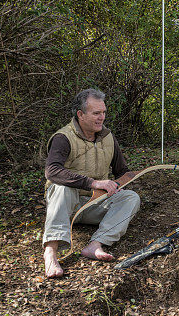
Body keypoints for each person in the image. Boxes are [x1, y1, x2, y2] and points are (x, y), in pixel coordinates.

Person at [42, 88, 140, 278]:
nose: (101, 117)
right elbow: (52, 171)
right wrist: (93, 183)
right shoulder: (63, 137)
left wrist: (126, 179)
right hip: (66, 208)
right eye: (96, 113)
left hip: (95, 205)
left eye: (103, 112)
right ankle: (51, 252)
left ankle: (96, 244)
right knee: (61, 188)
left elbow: (121, 171)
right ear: (80, 114)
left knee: (131, 198)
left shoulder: (108, 137)